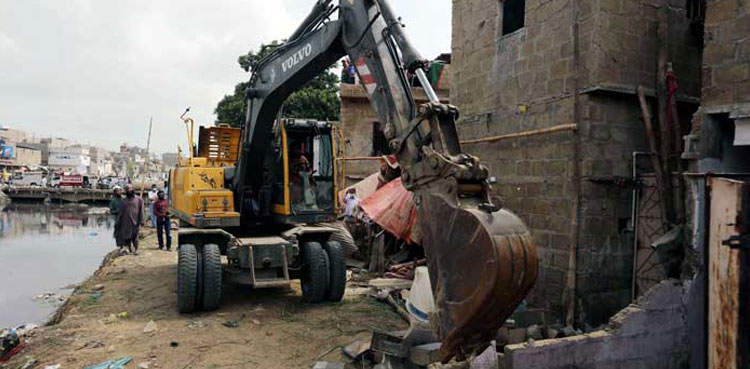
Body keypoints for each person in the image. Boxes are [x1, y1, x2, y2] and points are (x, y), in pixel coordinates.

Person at [115, 184, 144, 255]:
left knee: (135, 237)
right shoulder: (124, 201)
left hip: (135, 221)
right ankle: (128, 249)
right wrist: (118, 222)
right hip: (126, 222)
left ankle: (136, 249)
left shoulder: (139, 199)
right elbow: (120, 213)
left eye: (130, 188)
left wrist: (142, 220)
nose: (129, 190)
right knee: (127, 236)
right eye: (127, 189)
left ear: (132, 189)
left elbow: (142, 210)